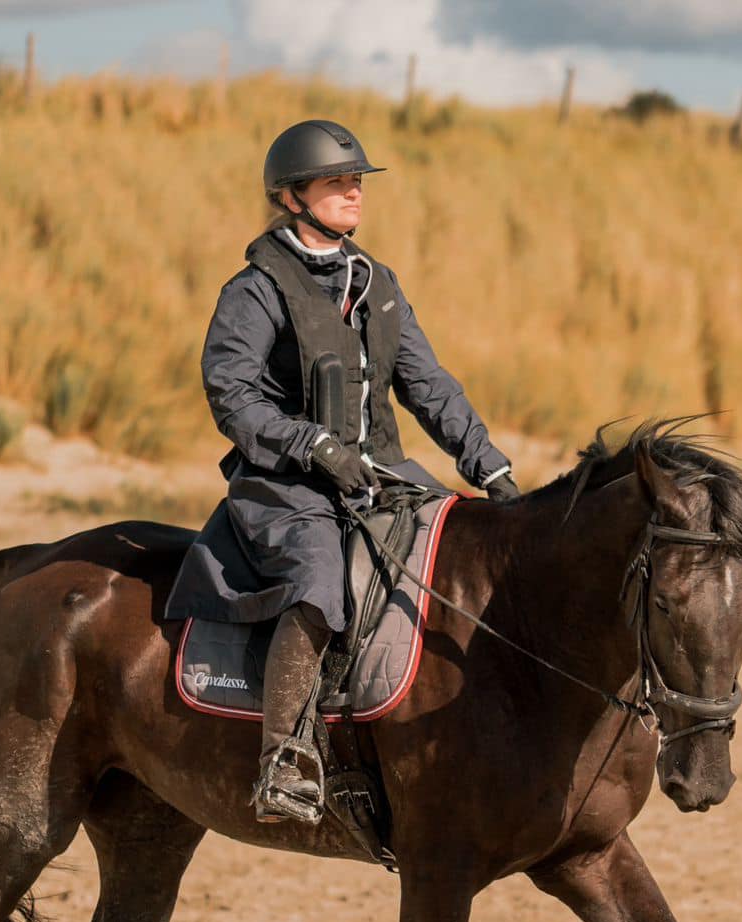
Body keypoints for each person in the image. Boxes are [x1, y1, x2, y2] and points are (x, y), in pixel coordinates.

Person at [165, 118, 522, 824]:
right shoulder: (257, 288)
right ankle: (284, 757)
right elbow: (231, 394)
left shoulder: (377, 282)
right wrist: (311, 447)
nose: (354, 192)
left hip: (381, 476)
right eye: (337, 181)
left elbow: (429, 386)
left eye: (356, 180)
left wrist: (494, 471)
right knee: (321, 578)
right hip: (285, 486)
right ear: (292, 196)